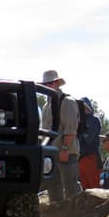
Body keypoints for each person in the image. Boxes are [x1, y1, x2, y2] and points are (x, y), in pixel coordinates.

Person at [40, 70, 82, 202]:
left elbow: (71, 129)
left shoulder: (67, 101)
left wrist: (65, 149)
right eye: (45, 83)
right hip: (52, 154)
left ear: (57, 83)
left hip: (66, 153)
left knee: (71, 188)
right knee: (53, 188)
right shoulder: (47, 105)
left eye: (51, 82)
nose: (48, 85)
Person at [77, 97, 102, 189]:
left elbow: (88, 138)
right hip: (81, 158)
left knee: (94, 188)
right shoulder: (80, 121)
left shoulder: (94, 120)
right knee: (85, 189)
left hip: (91, 158)